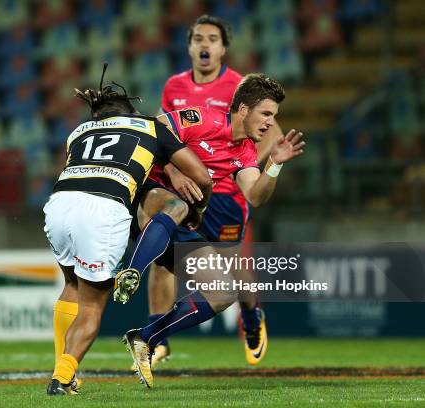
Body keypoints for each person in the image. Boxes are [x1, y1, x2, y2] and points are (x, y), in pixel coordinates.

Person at [120, 73, 305, 388]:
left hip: (181, 223)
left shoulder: (245, 152)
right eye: (266, 114)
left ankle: (145, 338)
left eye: (274, 117)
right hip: (149, 198)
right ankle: (131, 271)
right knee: (174, 207)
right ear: (243, 109)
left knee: (222, 293)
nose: (270, 123)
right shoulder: (202, 118)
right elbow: (155, 129)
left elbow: (256, 196)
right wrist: (175, 171)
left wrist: (274, 164)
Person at [45, 65, 212, 396]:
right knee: (93, 304)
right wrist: (200, 209)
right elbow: (202, 176)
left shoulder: (77, 132)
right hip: (105, 207)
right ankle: (62, 378)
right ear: (130, 110)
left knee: (72, 286)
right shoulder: (149, 125)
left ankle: (61, 368)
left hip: (58, 204)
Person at [147, 14, 281, 366]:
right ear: (189, 46)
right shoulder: (174, 86)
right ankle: (156, 338)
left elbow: (274, 133)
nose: (205, 44)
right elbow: (165, 133)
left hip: (226, 196)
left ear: (223, 49)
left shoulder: (240, 87)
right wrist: (175, 169)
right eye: (198, 38)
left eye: (212, 39)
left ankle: (251, 313)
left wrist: (241, 164)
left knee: (230, 264)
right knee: (162, 255)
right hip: (185, 188)